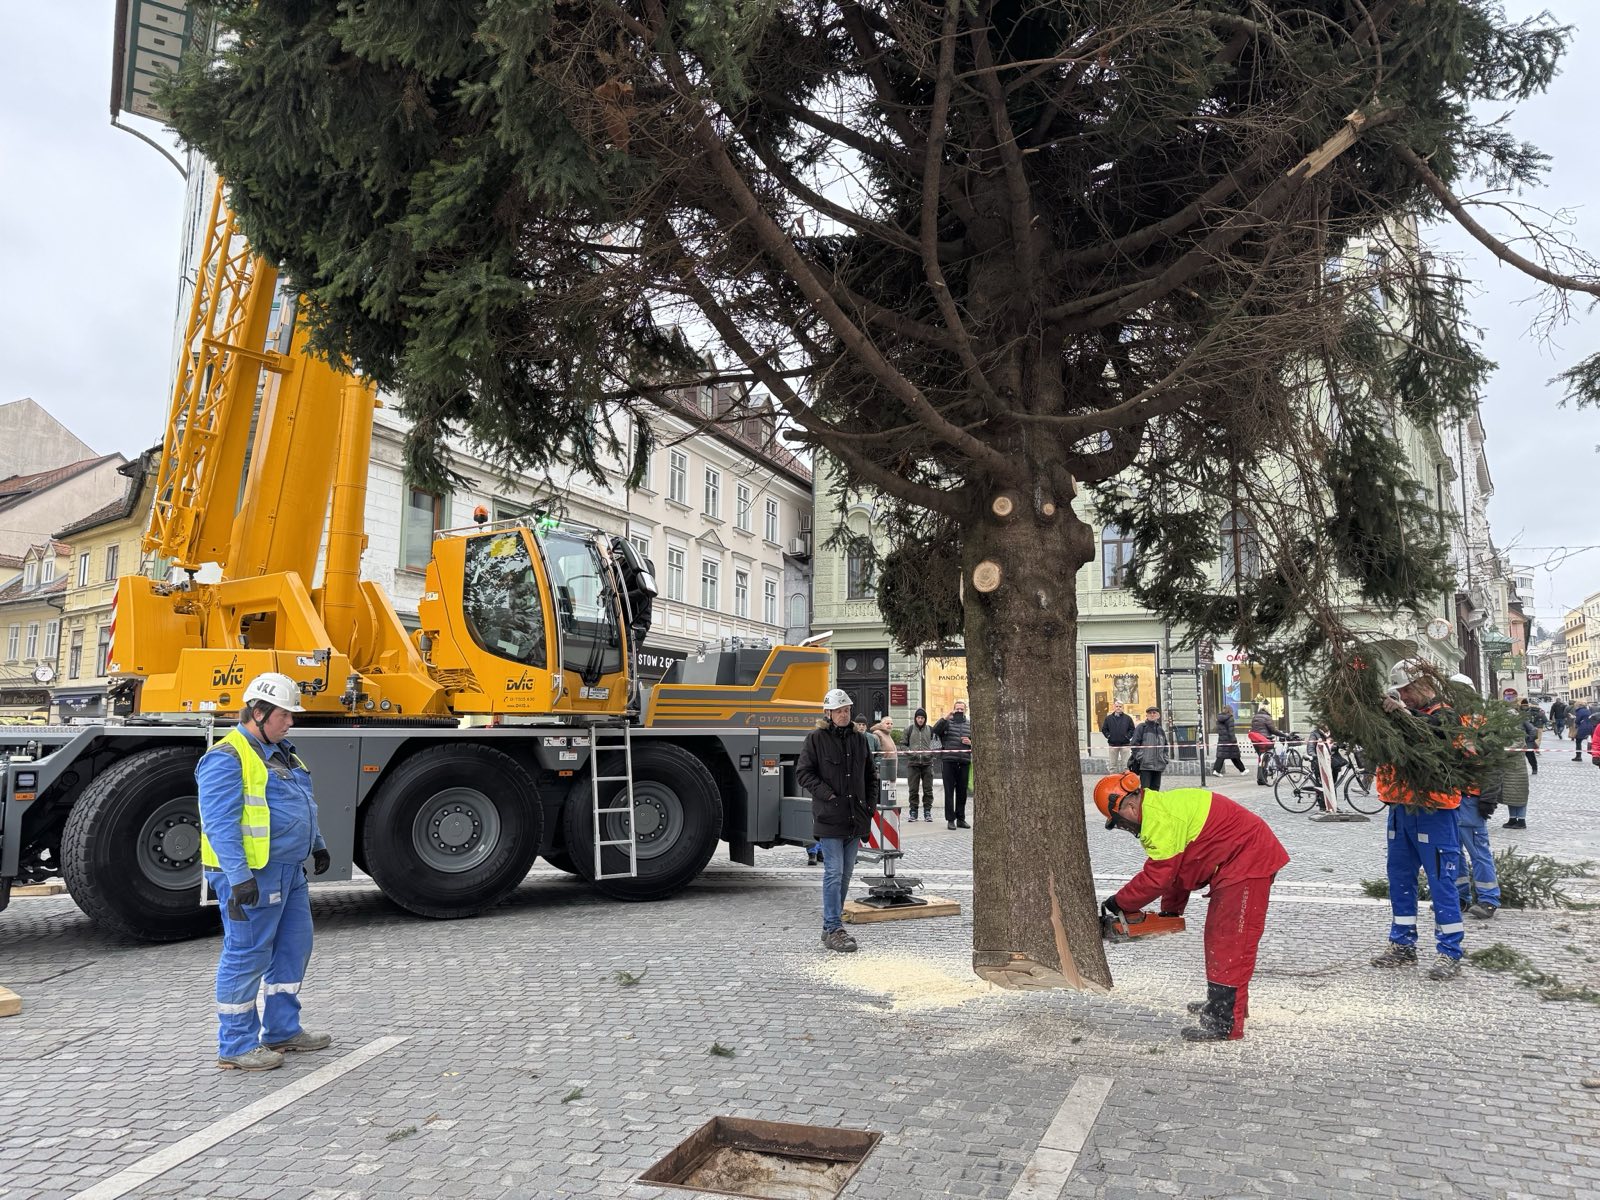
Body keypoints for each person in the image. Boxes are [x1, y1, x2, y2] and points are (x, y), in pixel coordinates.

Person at [199, 673, 333, 1071]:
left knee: (294, 949)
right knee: (247, 954)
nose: (290, 722)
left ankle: (282, 1030)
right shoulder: (227, 757)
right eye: (285, 715)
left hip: (289, 872)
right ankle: (237, 1045)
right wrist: (239, 877)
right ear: (258, 713)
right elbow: (219, 824)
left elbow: (300, 803)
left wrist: (318, 843)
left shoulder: (283, 752)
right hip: (253, 874)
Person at [1094, 771, 1289, 1041]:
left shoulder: (1159, 820)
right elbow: (1178, 872)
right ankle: (1225, 1004)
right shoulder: (1156, 810)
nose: (1122, 828)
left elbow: (1158, 877)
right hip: (1235, 861)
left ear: (1128, 806)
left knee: (1229, 940)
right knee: (1220, 938)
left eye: (1118, 823)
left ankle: (1225, 1023)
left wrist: (1119, 902)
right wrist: (1170, 912)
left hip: (1247, 861)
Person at [1370, 660, 1468, 981]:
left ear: (1425, 684)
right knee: (1399, 877)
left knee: (1441, 880)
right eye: (1401, 692)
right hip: (1401, 808)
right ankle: (1403, 945)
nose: (1405, 696)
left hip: (1434, 812)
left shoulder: (1446, 715)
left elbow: (1435, 737)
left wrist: (1402, 713)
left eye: (1408, 690)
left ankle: (1449, 951)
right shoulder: (1407, 714)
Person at [796, 688, 879, 953]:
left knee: (845, 875)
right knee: (834, 872)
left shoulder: (859, 739)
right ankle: (833, 928)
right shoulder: (816, 739)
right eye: (840, 710)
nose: (845, 714)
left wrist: (870, 805)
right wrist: (828, 795)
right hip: (830, 817)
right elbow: (804, 773)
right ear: (828, 713)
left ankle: (830, 926)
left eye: (847, 710)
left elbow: (870, 775)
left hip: (855, 818)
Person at [933, 699, 973, 829]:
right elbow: (935, 731)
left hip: (964, 761)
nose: (959, 711)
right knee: (949, 792)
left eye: (962, 709)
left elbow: (978, 742)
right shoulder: (947, 723)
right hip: (949, 761)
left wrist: (971, 743)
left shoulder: (970, 724)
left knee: (962, 792)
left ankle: (961, 818)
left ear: (965, 710)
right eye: (957, 709)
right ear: (953, 709)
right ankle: (950, 820)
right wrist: (945, 718)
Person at [903, 708, 936, 822]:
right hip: (913, 764)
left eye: (922, 718)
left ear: (925, 719)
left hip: (927, 764)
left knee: (928, 789)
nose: (920, 720)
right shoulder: (909, 729)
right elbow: (903, 745)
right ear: (915, 718)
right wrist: (909, 752)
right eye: (918, 718)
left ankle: (927, 811)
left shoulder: (930, 730)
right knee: (913, 789)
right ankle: (913, 811)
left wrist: (930, 753)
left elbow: (936, 745)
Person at [1127, 706, 1168, 792]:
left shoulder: (1160, 730)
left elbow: (1165, 747)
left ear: (1158, 715)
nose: (1152, 715)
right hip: (1146, 766)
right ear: (1147, 715)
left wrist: (1165, 759)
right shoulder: (1141, 727)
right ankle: (1144, 806)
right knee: (1145, 791)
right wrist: (1141, 758)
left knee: (1156, 791)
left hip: (1158, 765)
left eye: (1154, 713)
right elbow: (1134, 745)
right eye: (1150, 713)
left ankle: (1153, 805)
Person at [1101, 701, 1136, 774]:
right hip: (1113, 744)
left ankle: (1126, 781)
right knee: (1112, 765)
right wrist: (1109, 736)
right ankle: (1113, 780)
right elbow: (1104, 729)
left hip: (1125, 744)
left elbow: (1132, 729)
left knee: (1126, 765)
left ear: (1122, 708)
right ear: (1114, 707)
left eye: (1120, 706)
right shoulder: (1108, 718)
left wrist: (1127, 737)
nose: (1118, 708)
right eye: (1117, 706)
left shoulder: (1128, 718)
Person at [1248, 705, 1280, 784]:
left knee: (1261, 758)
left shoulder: (1255, 717)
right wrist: (1284, 735)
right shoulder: (1267, 717)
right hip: (1264, 740)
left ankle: (1261, 778)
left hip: (1255, 740)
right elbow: (1273, 730)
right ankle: (1262, 779)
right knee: (1265, 759)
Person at [1212, 706, 1245, 775]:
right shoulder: (1230, 718)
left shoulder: (1219, 718)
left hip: (1222, 739)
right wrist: (1234, 740)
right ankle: (1242, 770)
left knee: (1222, 756)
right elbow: (1231, 731)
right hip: (1229, 740)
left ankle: (1216, 770)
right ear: (1230, 711)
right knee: (1234, 756)